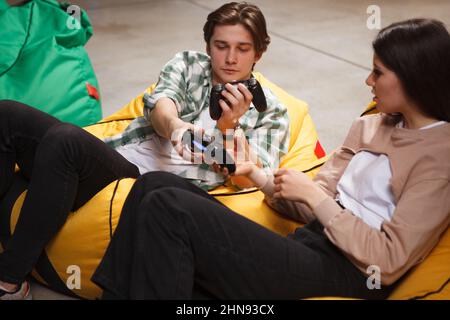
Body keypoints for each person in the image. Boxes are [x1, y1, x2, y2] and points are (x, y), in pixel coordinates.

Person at [92, 18, 450, 300]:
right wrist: (260, 177)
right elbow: (311, 204)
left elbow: (386, 262)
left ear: (413, 79)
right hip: (308, 244)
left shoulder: (439, 156)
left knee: (170, 206)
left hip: (348, 272)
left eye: (379, 72)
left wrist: (316, 197)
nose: (368, 80)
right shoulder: (370, 126)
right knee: (155, 184)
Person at [0, 2, 289, 299]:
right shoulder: (190, 65)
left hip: (143, 187)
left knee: (65, 140)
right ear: (208, 45)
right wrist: (176, 127)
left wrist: (229, 126)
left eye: (242, 48)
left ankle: (9, 280)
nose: (230, 58)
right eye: (221, 46)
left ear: (258, 53)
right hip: (115, 156)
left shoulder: (272, 111)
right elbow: (160, 106)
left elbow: (248, 178)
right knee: (7, 115)